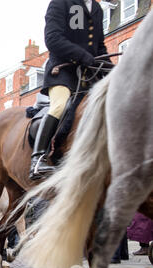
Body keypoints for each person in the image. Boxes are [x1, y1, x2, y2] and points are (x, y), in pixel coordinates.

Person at [29, 0, 110, 180]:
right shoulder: (61, 3)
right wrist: (82, 55)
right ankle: (38, 159)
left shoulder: (96, 8)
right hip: (63, 71)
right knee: (60, 105)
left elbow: (100, 46)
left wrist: (112, 71)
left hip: (89, 74)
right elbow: (53, 39)